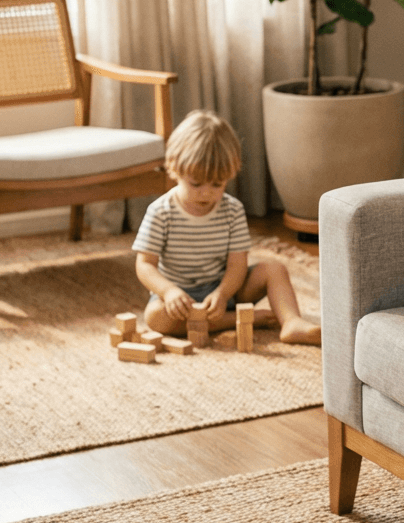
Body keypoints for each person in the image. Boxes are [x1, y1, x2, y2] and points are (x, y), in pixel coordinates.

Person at [133, 109, 322, 346]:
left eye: (217, 184)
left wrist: (222, 294)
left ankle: (292, 322)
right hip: (179, 301)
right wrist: (169, 291)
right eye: (196, 183)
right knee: (155, 318)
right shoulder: (160, 212)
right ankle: (236, 320)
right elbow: (145, 265)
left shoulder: (232, 210)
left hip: (225, 290)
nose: (206, 193)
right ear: (174, 168)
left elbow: (237, 265)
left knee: (274, 269)